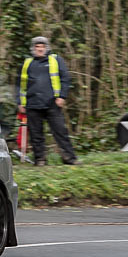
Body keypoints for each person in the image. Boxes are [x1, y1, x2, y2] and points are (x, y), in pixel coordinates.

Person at [16, 36, 78, 165]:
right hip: (32, 103)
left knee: (61, 132)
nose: (40, 49)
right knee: (35, 134)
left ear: (46, 48)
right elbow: (19, 85)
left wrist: (62, 96)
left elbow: (65, 78)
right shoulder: (27, 63)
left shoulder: (55, 60)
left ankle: (69, 158)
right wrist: (20, 102)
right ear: (33, 49)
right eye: (37, 47)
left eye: (42, 47)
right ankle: (40, 159)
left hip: (52, 103)